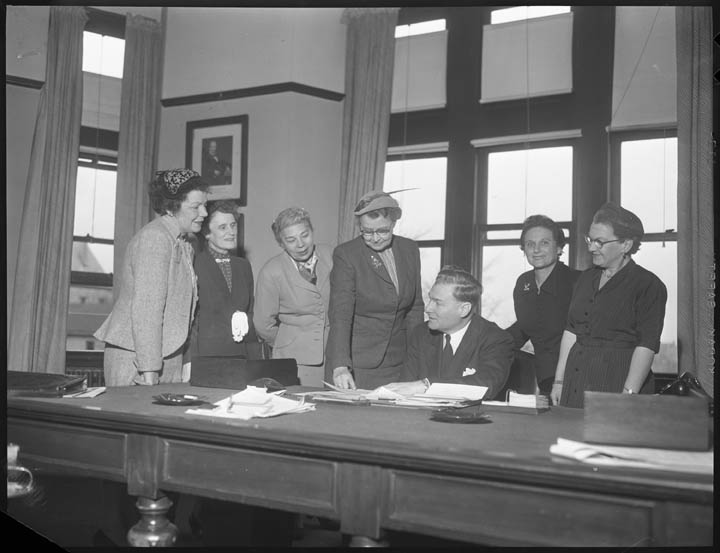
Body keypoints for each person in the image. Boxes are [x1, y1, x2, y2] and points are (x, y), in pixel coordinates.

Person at [94, 169, 208, 387]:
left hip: (166, 356)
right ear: (171, 207)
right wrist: (149, 369)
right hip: (138, 358)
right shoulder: (155, 238)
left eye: (204, 205)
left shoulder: (183, 243)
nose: (204, 212)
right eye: (195, 207)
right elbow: (147, 310)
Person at [550, 203, 668, 408]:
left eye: (600, 242)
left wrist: (628, 396)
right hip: (575, 381)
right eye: (590, 239)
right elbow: (571, 331)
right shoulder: (585, 279)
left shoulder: (648, 285)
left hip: (617, 382)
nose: (591, 248)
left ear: (626, 244)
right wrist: (559, 382)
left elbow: (646, 346)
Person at [325, 190, 424, 390]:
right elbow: (340, 314)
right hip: (358, 363)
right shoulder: (347, 254)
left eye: (383, 231)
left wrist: (417, 357)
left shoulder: (409, 249)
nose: (375, 238)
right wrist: (340, 365)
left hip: (399, 359)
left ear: (394, 223)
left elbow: (415, 307)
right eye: (367, 232)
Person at [384, 266, 513, 400]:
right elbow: (405, 387)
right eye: (430, 299)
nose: (428, 308)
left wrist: (426, 385)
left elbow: (486, 385)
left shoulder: (496, 339)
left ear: (464, 309)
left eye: (438, 303)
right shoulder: (421, 334)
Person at [253, 207, 333, 387]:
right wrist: (287, 341)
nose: (301, 244)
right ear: (281, 243)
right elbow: (263, 324)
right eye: (291, 240)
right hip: (295, 360)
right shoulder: (271, 271)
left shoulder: (331, 255)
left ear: (312, 231)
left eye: (305, 235)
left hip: (334, 356)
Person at [506, 215, 580, 395]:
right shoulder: (524, 283)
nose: (536, 250)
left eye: (544, 243)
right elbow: (525, 328)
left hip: (577, 376)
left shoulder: (578, 281)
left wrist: (561, 380)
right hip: (545, 377)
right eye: (530, 244)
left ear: (559, 247)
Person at [190, 200, 261, 364]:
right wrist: (190, 361)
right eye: (223, 227)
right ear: (207, 233)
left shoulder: (243, 266)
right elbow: (190, 320)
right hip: (206, 357)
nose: (231, 232)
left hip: (242, 355)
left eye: (233, 225)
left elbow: (250, 311)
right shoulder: (195, 265)